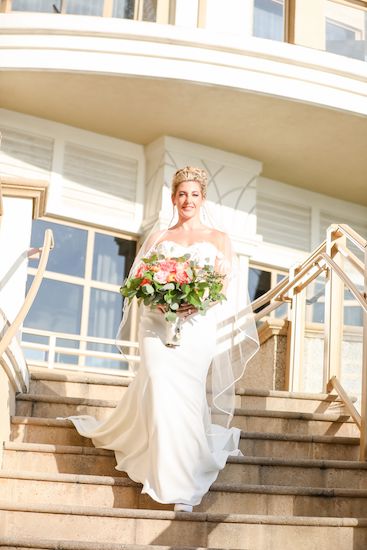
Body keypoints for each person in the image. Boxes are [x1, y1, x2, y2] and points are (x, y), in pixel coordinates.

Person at [66, 166, 259, 512]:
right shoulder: (157, 238)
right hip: (156, 323)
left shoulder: (219, 239)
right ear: (173, 198)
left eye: (194, 194)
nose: (188, 200)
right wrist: (160, 297)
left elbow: (223, 288)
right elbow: (137, 283)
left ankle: (180, 484)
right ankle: (163, 473)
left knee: (186, 396)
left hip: (197, 325)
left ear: (202, 199)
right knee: (156, 382)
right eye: (182, 194)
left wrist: (194, 300)